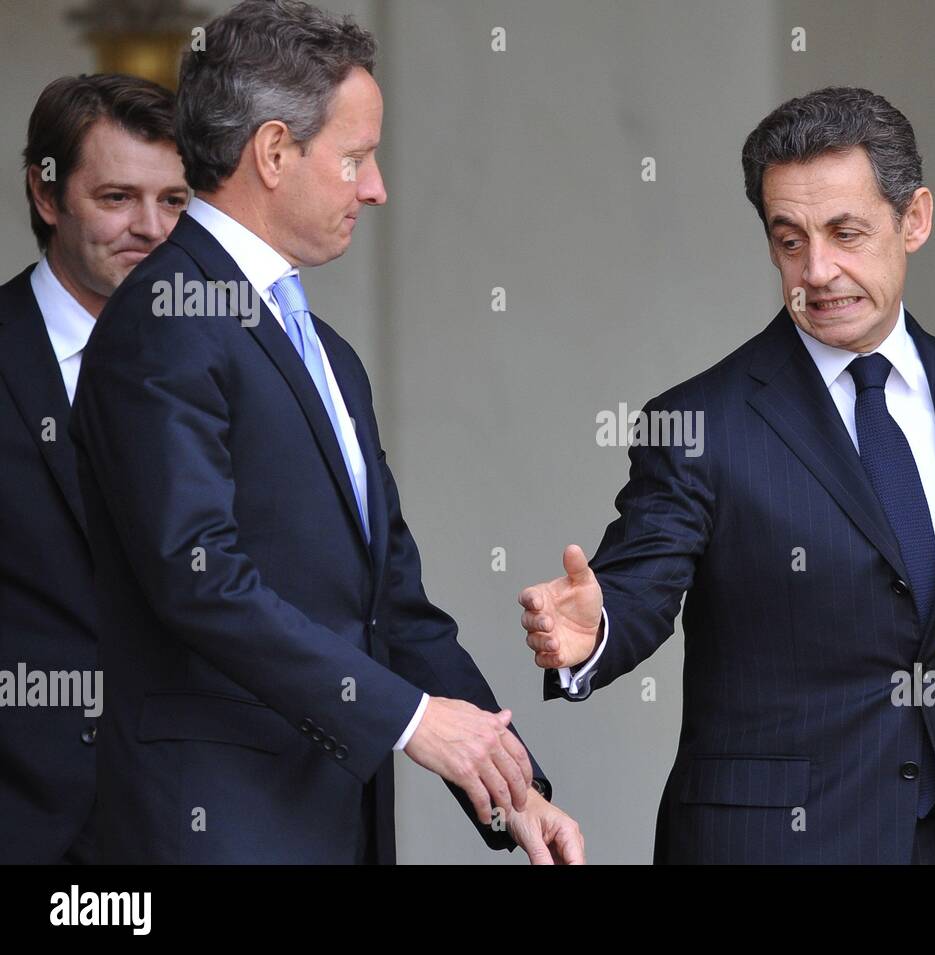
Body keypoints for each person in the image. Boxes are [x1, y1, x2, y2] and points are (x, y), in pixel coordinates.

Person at [70, 0, 582, 864]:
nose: (376, 187)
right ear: (274, 152)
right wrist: (412, 719)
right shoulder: (163, 315)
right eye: (356, 158)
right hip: (210, 831)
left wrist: (512, 787)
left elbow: (394, 606)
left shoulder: (328, 354)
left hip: (329, 823)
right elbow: (200, 578)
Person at [517, 86, 935, 864]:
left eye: (846, 232)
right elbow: (640, 581)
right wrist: (595, 630)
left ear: (916, 219)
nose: (817, 270)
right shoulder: (700, 422)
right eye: (789, 239)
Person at [0, 73, 188, 864]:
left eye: (174, 201)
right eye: (117, 197)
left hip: (196, 821)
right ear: (46, 197)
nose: (151, 228)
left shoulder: (240, 366)